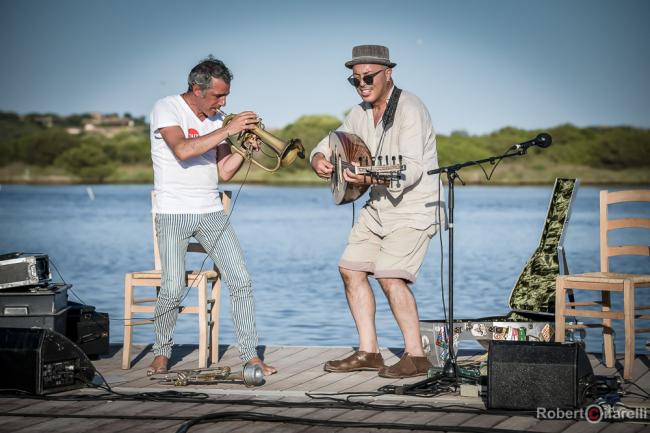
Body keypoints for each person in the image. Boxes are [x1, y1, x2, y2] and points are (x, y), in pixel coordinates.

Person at [310, 45, 444, 378]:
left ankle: (417, 356)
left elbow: (412, 169)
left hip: (415, 207)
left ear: (388, 74)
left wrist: (368, 176)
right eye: (355, 79)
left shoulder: (411, 108)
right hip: (377, 206)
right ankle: (369, 352)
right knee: (350, 269)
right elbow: (331, 141)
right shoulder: (358, 113)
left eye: (368, 77)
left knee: (390, 276)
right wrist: (318, 158)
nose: (362, 84)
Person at [147, 56, 276, 376]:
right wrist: (229, 129)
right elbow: (183, 150)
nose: (223, 102)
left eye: (226, 95)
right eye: (218, 95)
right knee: (174, 287)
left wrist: (245, 149)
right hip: (173, 211)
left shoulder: (218, 121)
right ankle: (162, 352)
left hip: (211, 212)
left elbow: (225, 172)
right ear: (197, 89)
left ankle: (251, 355)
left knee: (241, 279)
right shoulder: (167, 107)